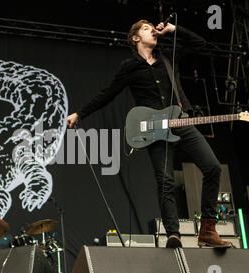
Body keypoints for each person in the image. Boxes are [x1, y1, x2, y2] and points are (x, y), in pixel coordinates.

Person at [66, 19, 231, 248]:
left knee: (212, 166)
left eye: (152, 27)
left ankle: (207, 230)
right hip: (154, 129)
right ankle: (173, 234)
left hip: (180, 121)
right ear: (135, 38)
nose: (152, 29)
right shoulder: (129, 67)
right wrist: (79, 114)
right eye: (146, 28)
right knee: (165, 181)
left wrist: (175, 30)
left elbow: (201, 44)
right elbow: (108, 94)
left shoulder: (167, 56)